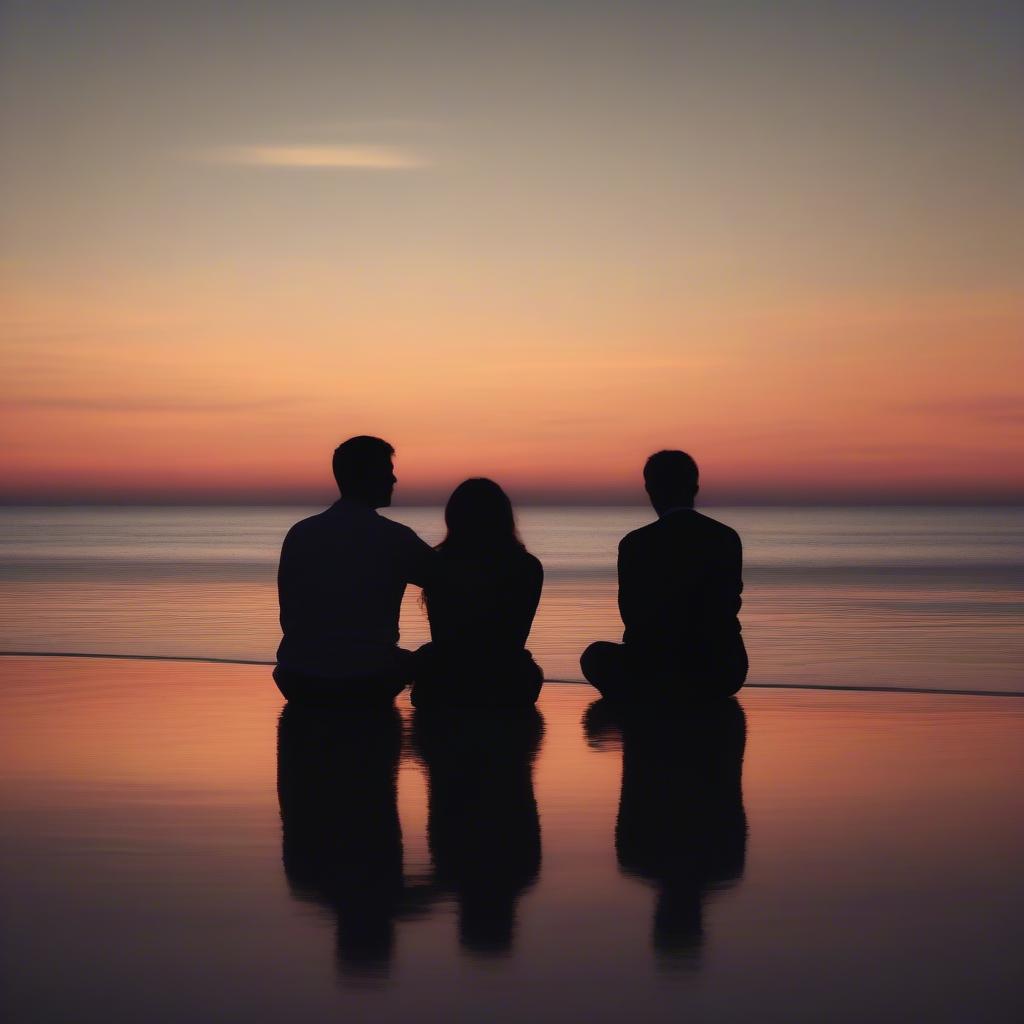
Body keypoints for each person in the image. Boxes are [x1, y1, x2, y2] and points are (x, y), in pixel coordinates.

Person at [274, 435, 435, 705]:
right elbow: (447, 580)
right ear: (368, 476)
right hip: (366, 677)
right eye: (387, 471)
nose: (393, 480)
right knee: (435, 658)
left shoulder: (300, 534)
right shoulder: (394, 537)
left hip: (296, 676)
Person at [581, 450, 747, 701]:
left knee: (594, 656)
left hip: (658, 667)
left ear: (650, 489)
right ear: (695, 487)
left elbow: (631, 613)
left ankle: (648, 696)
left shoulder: (635, 543)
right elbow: (729, 602)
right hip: (723, 669)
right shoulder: (726, 537)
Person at [411, 478, 544, 707]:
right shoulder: (527, 566)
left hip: (444, 684)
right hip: (509, 683)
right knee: (525, 666)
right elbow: (514, 639)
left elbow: (444, 639)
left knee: (426, 656)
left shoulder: (439, 564)